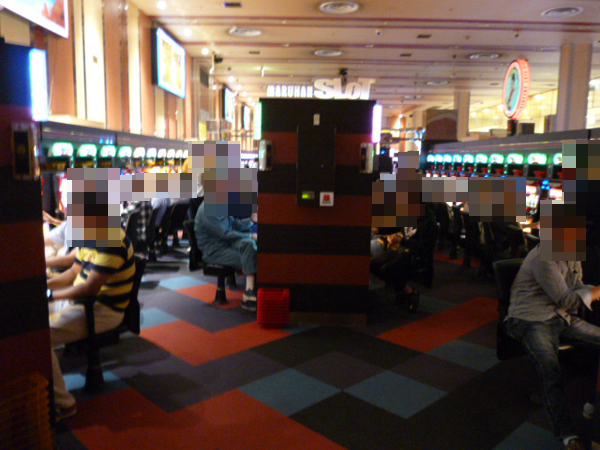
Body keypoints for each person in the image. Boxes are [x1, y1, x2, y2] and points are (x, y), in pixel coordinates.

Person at [505, 206, 600, 450]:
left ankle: (593, 400)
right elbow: (567, 300)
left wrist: (592, 291)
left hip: (560, 317)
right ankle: (567, 435)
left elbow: (576, 285)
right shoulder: (543, 257)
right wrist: (595, 292)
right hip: (530, 319)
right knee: (550, 370)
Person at [47, 228, 135, 420]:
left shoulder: (111, 239)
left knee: (38, 337)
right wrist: (44, 287)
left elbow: (89, 288)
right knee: (28, 321)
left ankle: (63, 404)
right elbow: (73, 272)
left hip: (103, 309)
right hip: (83, 301)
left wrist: (49, 295)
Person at [370, 202, 438, 306]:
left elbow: (424, 247)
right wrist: (378, 229)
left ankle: (409, 291)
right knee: (372, 264)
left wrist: (401, 241)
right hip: (402, 252)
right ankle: (399, 288)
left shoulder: (429, 223)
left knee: (387, 269)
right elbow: (394, 226)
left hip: (416, 256)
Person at [194, 202, 258, 311]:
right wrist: (250, 235)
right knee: (251, 257)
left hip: (226, 244)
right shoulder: (206, 209)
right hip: (214, 251)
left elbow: (234, 225)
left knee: (249, 244)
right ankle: (249, 295)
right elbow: (223, 234)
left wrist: (251, 220)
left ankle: (252, 288)